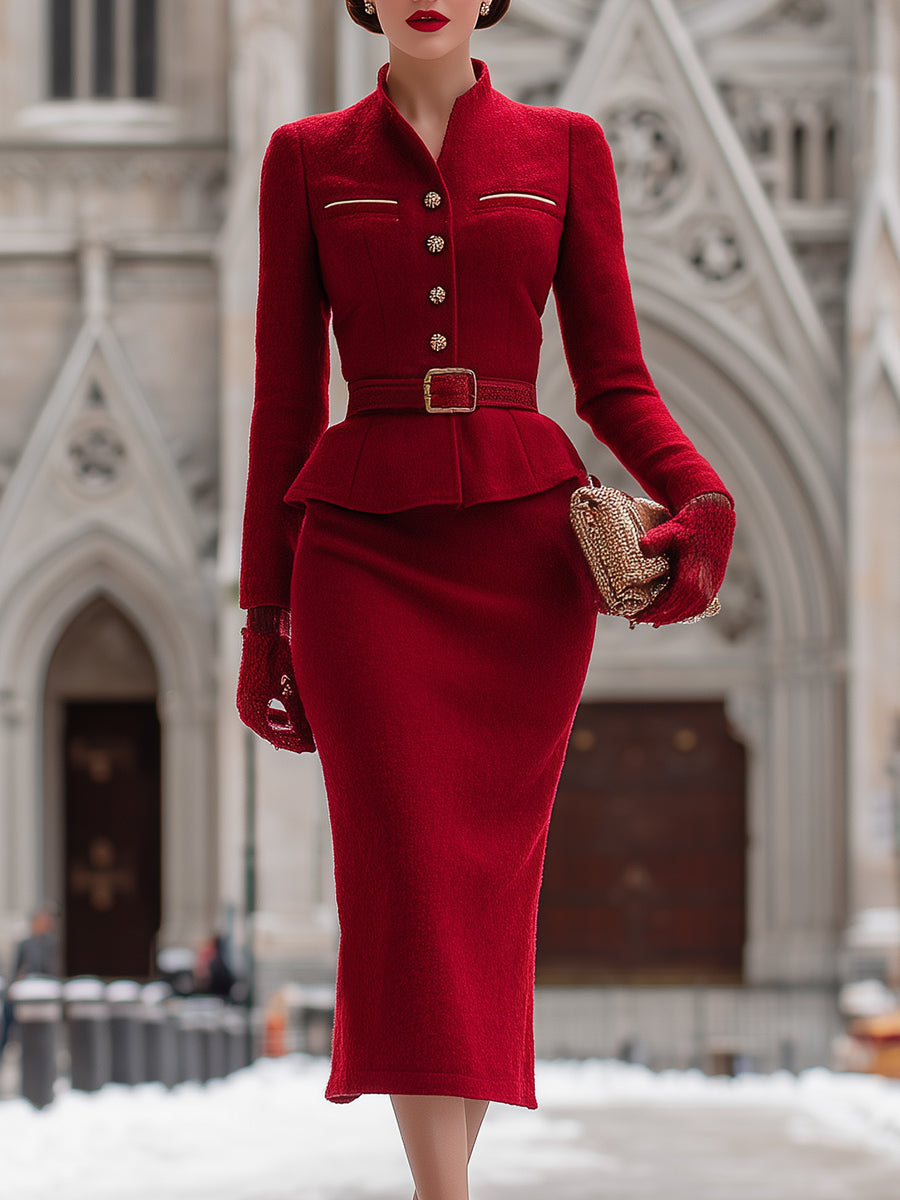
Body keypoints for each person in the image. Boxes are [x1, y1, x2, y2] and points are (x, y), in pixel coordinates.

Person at [235, 3, 737, 1198]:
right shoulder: (304, 158)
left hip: (520, 567)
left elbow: (613, 378)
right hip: (360, 559)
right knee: (406, 891)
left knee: (475, 909)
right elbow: (285, 402)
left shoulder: (567, 147)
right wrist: (262, 617)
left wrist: (700, 492)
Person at [0, 905, 58, 1061]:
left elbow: (49, 970)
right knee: (8, 1023)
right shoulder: (25, 944)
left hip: (40, 992)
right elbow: (16, 968)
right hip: (23, 991)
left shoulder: (48, 944)